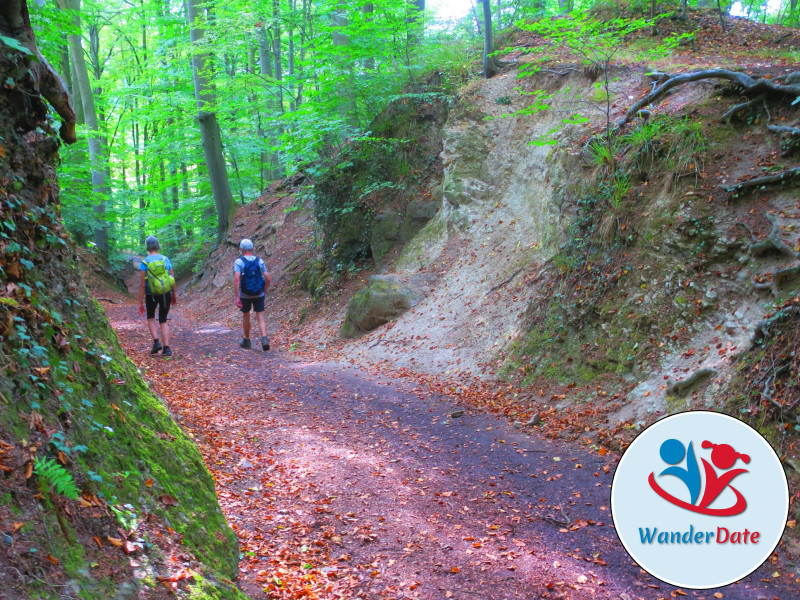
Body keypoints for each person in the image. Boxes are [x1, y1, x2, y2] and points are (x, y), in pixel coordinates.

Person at [137, 235, 177, 356]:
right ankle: (167, 348)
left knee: (150, 317)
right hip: (166, 293)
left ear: (147, 247)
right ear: (157, 246)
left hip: (151, 294)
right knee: (163, 319)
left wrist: (140, 301)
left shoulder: (144, 262)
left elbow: (143, 285)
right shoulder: (165, 259)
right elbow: (172, 278)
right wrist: (174, 293)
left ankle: (156, 342)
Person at [234, 238, 270, 351]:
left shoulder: (239, 262)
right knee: (260, 316)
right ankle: (264, 338)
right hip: (259, 293)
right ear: (253, 248)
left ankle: (247, 340)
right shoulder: (259, 261)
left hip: (245, 294)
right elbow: (268, 277)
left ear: (241, 249)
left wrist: (237, 296)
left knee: (246, 316)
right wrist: (264, 289)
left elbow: (236, 279)